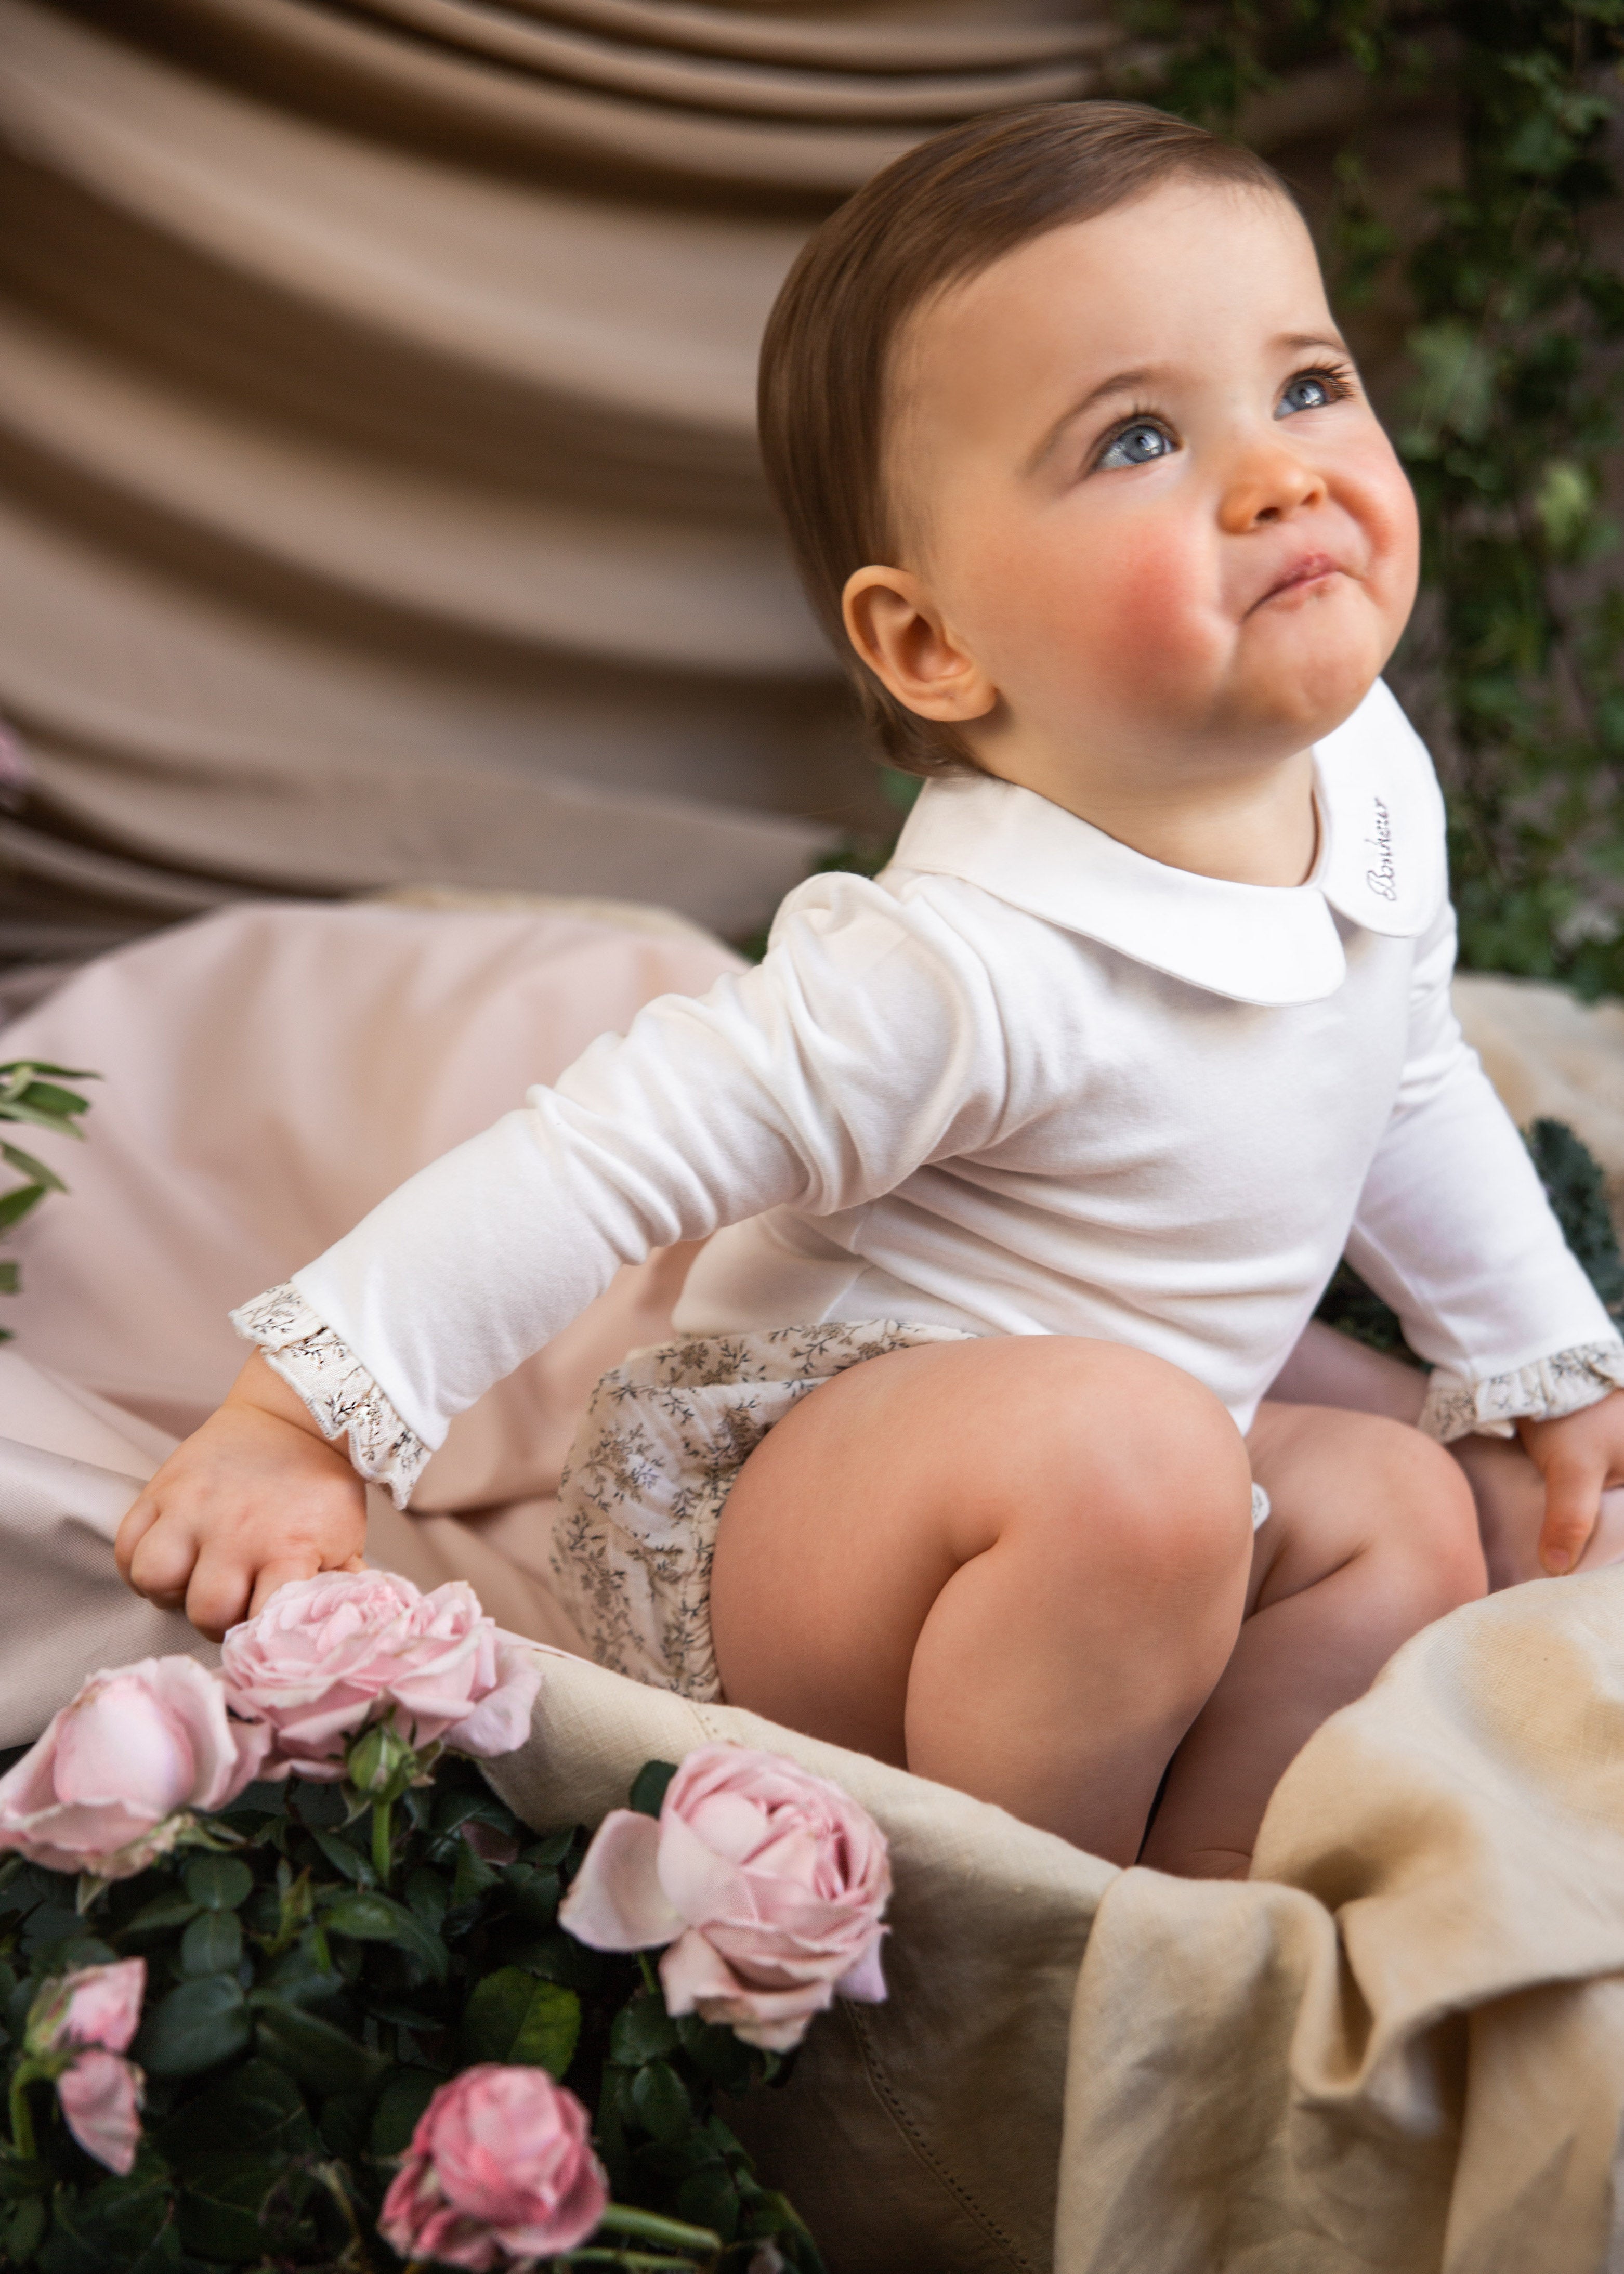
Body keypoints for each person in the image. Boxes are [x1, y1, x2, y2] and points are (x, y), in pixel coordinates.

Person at [114, 103, 1624, 1878]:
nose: (1281, 471)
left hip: (1145, 1483)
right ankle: (1013, 1924)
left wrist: (1536, 1360)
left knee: (1407, 1513)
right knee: (1131, 1461)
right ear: (929, 644)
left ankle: (1197, 1917)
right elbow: (592, 1159)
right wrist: (295, 1423)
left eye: (1304, 386)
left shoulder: (1363, 770)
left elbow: (1402, 1070)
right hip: (785, 1530)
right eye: (1136, 436)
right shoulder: (956, 964)